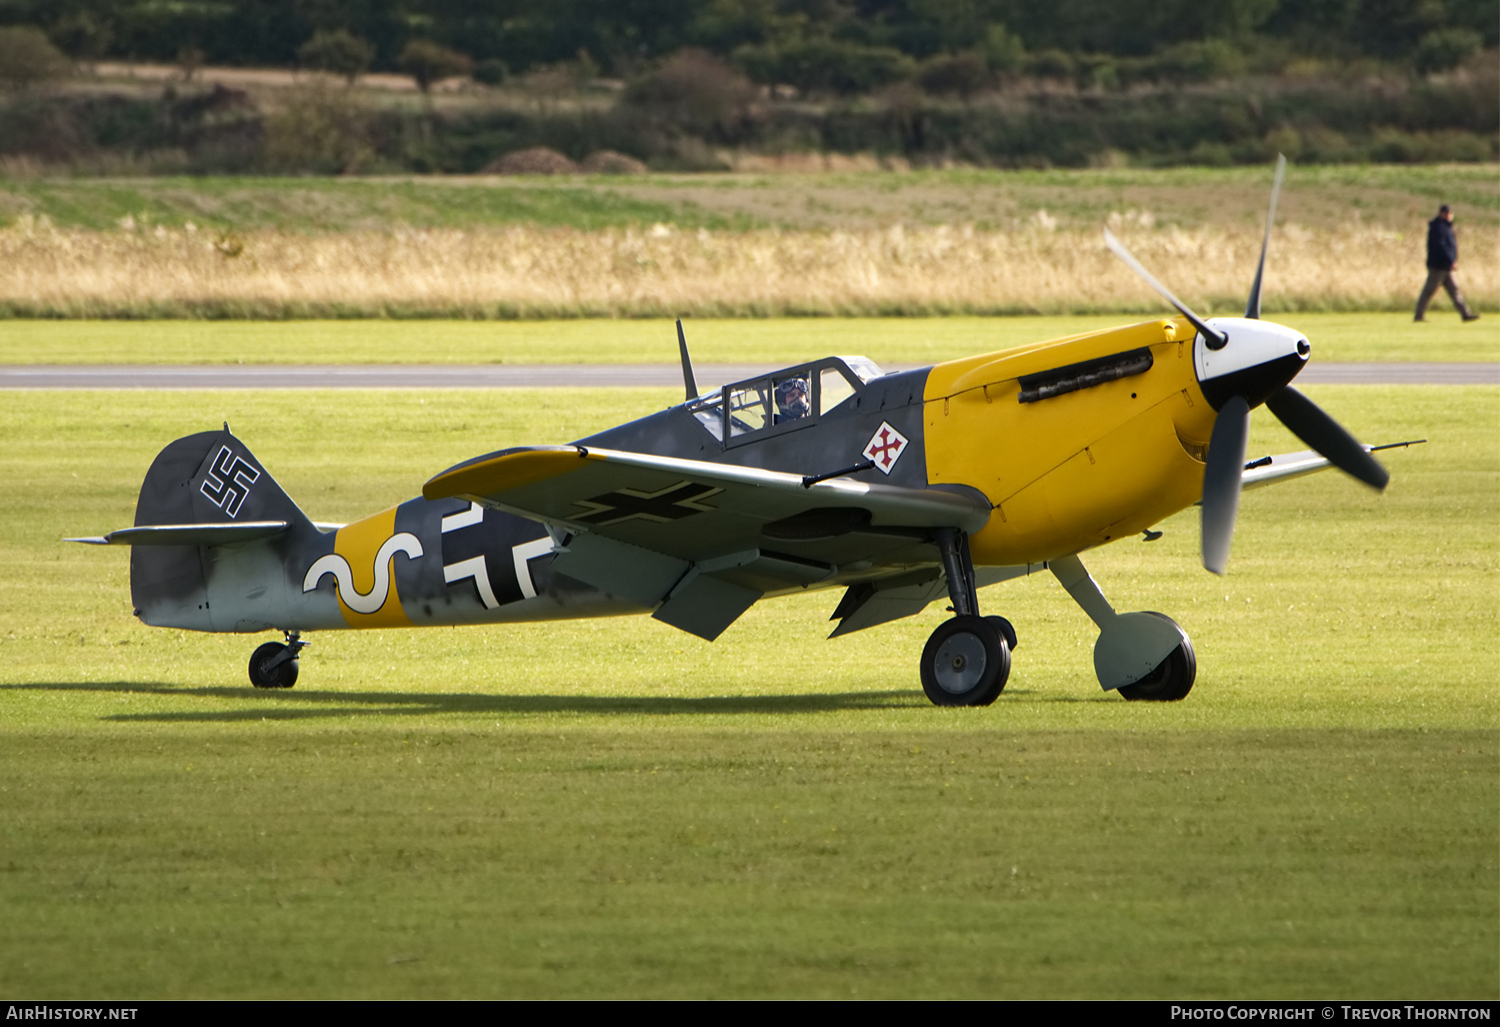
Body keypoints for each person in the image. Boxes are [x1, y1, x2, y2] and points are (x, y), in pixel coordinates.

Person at [1415, 204, 1479, 322]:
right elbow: (1441, 246)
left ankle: (1465, 314)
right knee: (1428, 291)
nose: (1449, 216)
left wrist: (1452, 261)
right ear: (1442, 213)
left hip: (1446, 267)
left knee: (1454, 291)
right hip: (1438, 266)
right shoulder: (1438, 227)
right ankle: (1418, 316)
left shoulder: (1446, 227)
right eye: (1447, 213)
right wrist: (1451, 260)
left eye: (1450, 213)